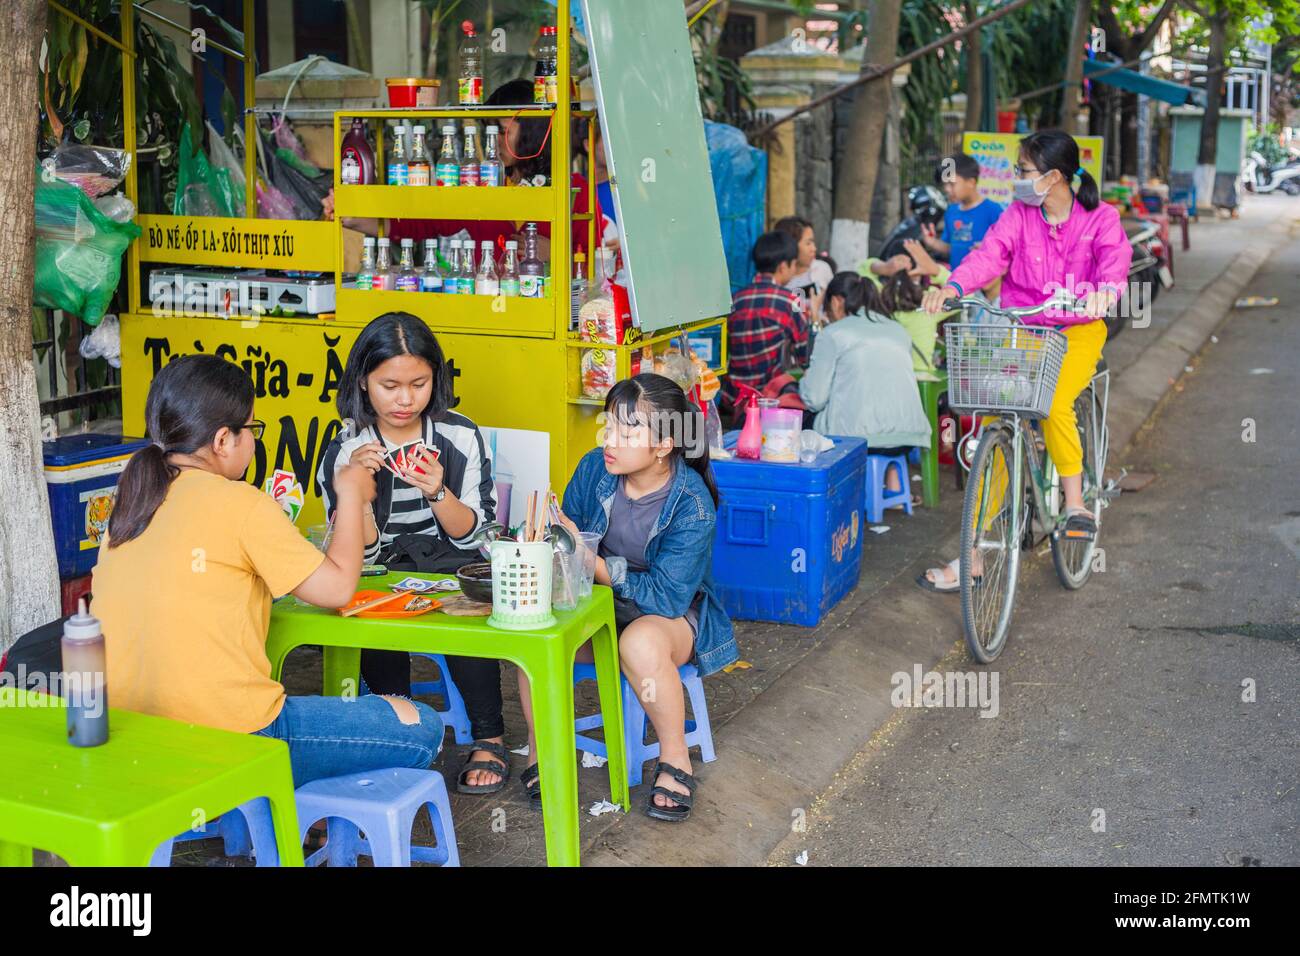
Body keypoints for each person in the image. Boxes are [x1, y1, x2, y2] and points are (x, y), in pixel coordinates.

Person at [93, 354, 443, 786]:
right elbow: (335, 590)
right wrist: (351, 496)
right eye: (252, 429)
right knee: (420, 724)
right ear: (223, 440)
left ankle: (284, 807)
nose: (254, 441)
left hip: (134, 738)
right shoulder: (241, 503)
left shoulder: (129, 502)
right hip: (233, 740)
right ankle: (284, 803)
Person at [516, 373, 738, 822]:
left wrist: (594, 563)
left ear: (663, 445)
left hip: (668, 616)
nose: (609, 440)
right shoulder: (595, 468)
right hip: (598, 601)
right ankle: (541, 753)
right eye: (608, 426)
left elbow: (667, 597)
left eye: (627, 430)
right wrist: (550, 537)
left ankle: (675, 758)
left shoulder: (692, 504)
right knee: (532, 629)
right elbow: (569, 536)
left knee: (638, 641)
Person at [917, 129, 1132, 592]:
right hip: (1024, 328)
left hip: (1077, 331)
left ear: (1054, 177)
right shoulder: (1018, 214)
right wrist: (953, 287)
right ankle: (971, 553)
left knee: (1052, 404)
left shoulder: (1100, 219)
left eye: (1023, 171)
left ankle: (1075, 504)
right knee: (997, 414)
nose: (1016, 178)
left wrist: (1103, 294)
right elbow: (989, 255)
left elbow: (1115, 263)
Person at [316, 312, 508, 795]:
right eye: (390, 385)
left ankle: (489, 737)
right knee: (371, 619)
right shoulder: (347, 446)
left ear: (435, 379)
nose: (405, 399)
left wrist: (439, 492)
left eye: (419, 384)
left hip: (450, 559)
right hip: (379, 565)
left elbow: (476, 537)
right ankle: (396, 736)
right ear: (363, 381)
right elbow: (359, 551)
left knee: (469, 618)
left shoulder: (459, 435)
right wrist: (354, 492)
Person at [799, 272, 931, 501]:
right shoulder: (898, 330)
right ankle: (893, 486)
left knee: (803, 422)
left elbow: (814, 398)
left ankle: (828, 497)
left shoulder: (833, 333)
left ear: (837, 301)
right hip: (908, 437)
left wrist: (805, 378)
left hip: (855, 439)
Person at [722, 230, 808, 409]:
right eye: (794, 265)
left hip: (733, 396)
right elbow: (804, 355)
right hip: (769, 396)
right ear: (783, 266)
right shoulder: (791, 300)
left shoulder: (736, 298)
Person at [922, 153, 1004, 271]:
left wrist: (989, 249)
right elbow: (951, 247)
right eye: (945, 184)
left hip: (984, 283)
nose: (947, 189)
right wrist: (933, 243)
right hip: (956, 283)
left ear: (971, 182)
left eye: (952, 183)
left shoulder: (993, 211)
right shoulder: (951, 211)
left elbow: (1006, 249)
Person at [773, 216, 834, 322]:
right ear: (790, 246)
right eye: (808, 243)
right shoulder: (778, 279)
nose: (814, 249)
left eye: (813, 242)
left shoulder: (821, 269)